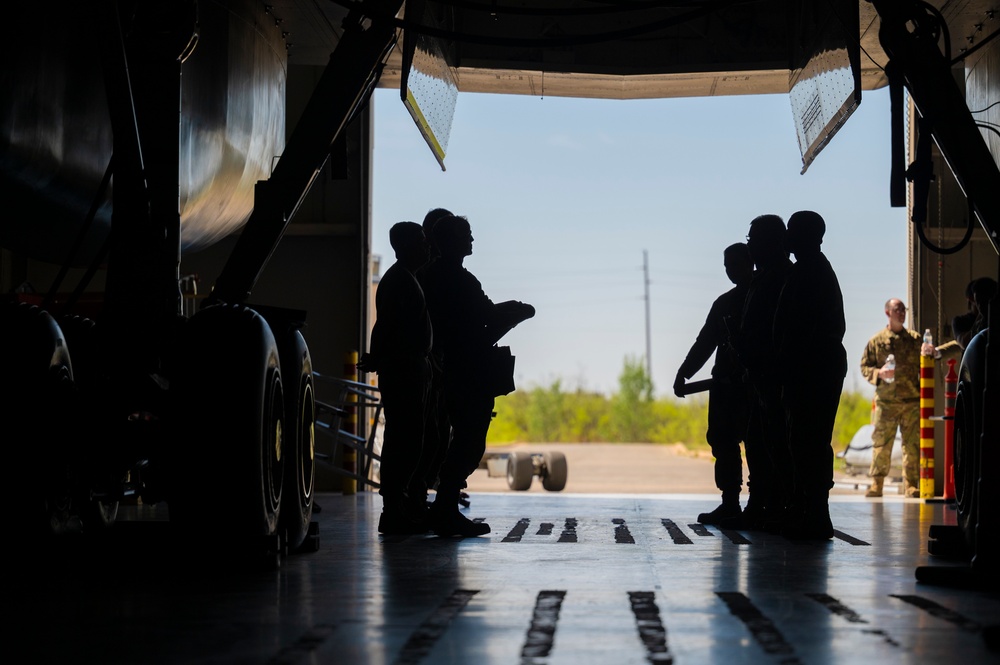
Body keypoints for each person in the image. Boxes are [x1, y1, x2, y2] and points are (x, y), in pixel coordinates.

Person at [421, 215, 535, 537]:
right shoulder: (459, 279)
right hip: (467, 370)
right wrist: (517, 312)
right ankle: (445, 508)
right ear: (453, 241)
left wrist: (508, 309)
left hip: (449, 367)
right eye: (466, 235)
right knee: (469, 443)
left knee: (458, 440)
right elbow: (484, 317)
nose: (472, 241)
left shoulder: (432, 276)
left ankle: (443, 506)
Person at [772, 210, 847, 540]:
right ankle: (810, 510)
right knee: (804, 442)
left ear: (806, 236)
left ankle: (816, 513)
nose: (786, 237)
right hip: (812, 368)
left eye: (791, 231)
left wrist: (787, 367)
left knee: (809, 442)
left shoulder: (811, 273)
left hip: (812, 370)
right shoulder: (809, 270)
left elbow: (800, 330)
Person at [359, 221, 433, 534]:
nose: (427, 247)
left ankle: (399, 506)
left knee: (408, 439)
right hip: (403, 372)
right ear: (403, 247)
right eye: (421, 241)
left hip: (407, 369)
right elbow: (387, 328)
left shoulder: (404, 279)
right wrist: (383, 359)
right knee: (404, 440)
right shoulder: (400, 282)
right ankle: (393, 509)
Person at [674, 243, 753, 528]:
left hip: (754, 387)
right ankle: (731, 503)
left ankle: (760, 504)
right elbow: (705, 341)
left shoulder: (768, 295)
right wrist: (685, 372)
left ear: (750, 261)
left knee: (758, 445)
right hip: (726, 386)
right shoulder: (725, 302)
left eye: (734, 264)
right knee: (723, 442)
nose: (730, 270)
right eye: (726, 266)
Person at [734, 214, 792, 531]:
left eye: (754, 240)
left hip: (776, 378)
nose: (750, 246)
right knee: (757, 442)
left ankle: (780, 506)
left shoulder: (784, 277)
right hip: (759, 377)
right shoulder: (765, 276)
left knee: (778, 444)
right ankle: (761, 505)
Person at [859, 298, 936, 498]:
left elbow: (927, 359)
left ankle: (911, 485)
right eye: (897, 309)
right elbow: (864, 366)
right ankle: (877, 485)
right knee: (881, 444)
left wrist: (931, 353)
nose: (901, 313)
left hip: (911, 400)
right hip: (887, 402)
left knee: (912, 445)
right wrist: (879, 373)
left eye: (903, 309)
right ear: (887, 313)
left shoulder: (915, 339)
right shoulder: (877, 341)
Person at [415, 208, 456, 502]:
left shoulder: (420, 273)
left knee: (436, 433)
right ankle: (417, 496)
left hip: (435, 363)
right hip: (432, 365)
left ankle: (420, 495)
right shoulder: (431, 275)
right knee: (428, 435)